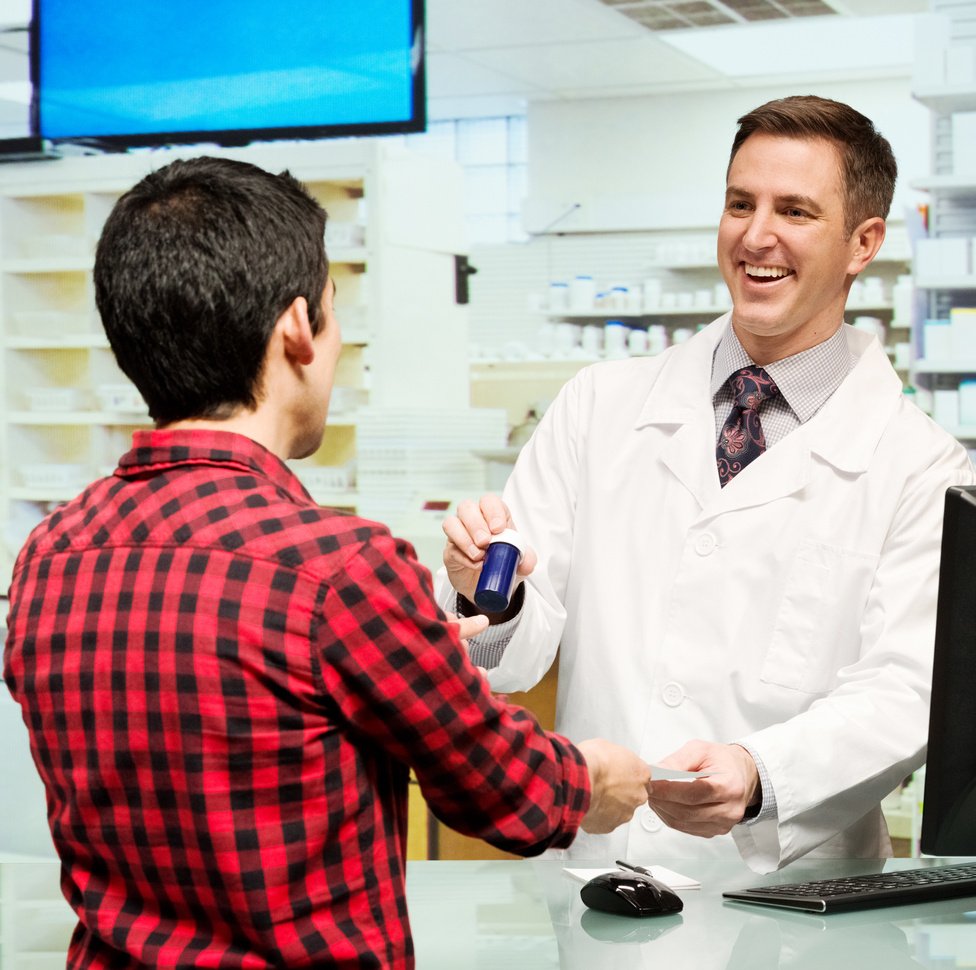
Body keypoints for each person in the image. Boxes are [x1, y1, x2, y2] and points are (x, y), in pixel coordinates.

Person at [2, 156, 650, 968]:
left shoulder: (52, 556)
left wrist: (407, 659)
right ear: (297, 329)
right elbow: (499, 788)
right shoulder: (339, 571)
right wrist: (595, 779)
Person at [440, 95, 976, 872]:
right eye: (739, 204)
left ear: (863, 243)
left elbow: (905, 692)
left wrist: (761, 776)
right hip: (604, 880)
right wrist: (485, 592)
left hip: (793, 902)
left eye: (795, 210)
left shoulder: (920, 464)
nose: (757, 237)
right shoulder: (601, 404)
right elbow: (508, 653)